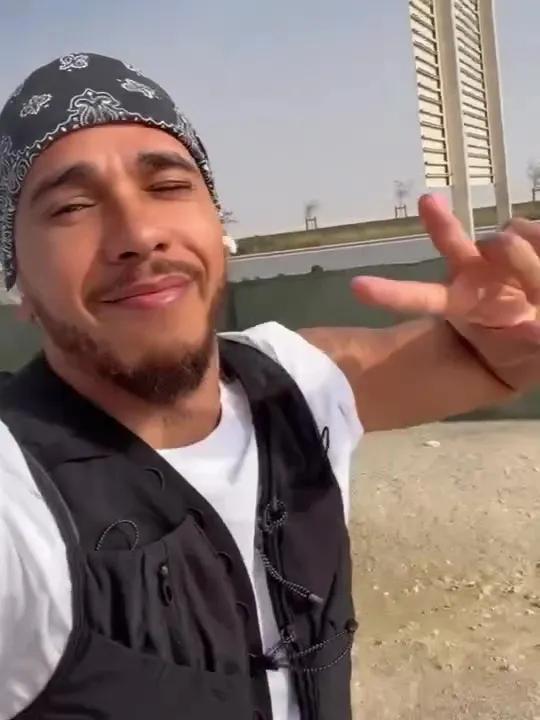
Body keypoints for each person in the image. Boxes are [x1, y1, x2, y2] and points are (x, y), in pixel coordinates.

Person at [0, 52, 539, 720]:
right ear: (19, 281)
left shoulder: (293, 381)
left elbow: (494, 363)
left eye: (167, 186)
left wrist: (516, 324)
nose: (138, 234)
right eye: (73, 206)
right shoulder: (16, 497)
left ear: (218, 225)